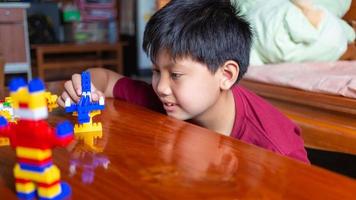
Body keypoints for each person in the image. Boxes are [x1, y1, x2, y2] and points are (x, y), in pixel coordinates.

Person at [57, 0, 309, 163]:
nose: (161, 86)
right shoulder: (169, 99)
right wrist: (85, 86)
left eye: (175, 75)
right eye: (156, 70)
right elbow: (106, 77)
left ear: (226, 75)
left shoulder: (276, 150)